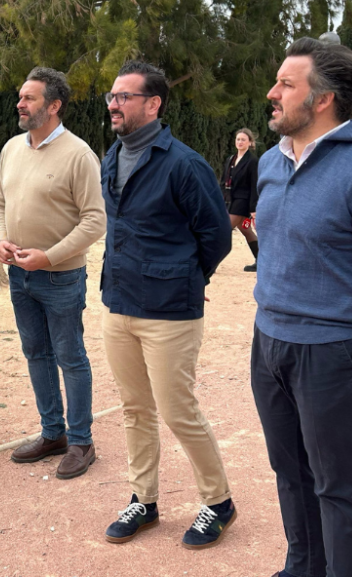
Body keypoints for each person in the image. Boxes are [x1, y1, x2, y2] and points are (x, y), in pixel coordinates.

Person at [252, 37, 352, 577]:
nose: (273, 93)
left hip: (333, 352)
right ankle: (301, 567)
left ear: (323, 99)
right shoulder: (269, 162)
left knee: (338, 486)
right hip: (268, 343)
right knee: (288, 471)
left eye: (286, 85)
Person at [99, 60, 236, 549]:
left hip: (170, 311)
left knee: (178, 411)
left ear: (153, 104)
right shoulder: (111, 157)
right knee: (135, 409)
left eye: (124, 97)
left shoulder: (184, 163)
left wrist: (185, 278)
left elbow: (216, 238)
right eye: (112, 97)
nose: (113, 104)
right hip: (118, 303)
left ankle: (218, 502)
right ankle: (145, 499)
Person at [0, 67, 106, 479]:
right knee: (35, 354)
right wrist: (0, 240)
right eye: (21, 97)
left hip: (61, 278)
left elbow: (95, 221)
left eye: (29, 98)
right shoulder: (10, 149)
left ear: (53, 106)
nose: (20, 104)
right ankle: (52, 432)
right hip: (20, 276)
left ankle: (81, 441)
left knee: (70, 357)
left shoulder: (79, 155)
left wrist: (50, 257)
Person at [221, 128, 260, 272]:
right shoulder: (230, 159)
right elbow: (223, 181)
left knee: (223, 229)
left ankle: (209, 262)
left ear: (250, 142)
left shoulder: (253, 161)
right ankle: (262, 261)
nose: (240, 142)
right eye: (238, 139)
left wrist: (253, 208)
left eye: (243, 139)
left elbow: (254, 185)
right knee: (246, 229)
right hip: (230, 200)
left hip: (243, 203)